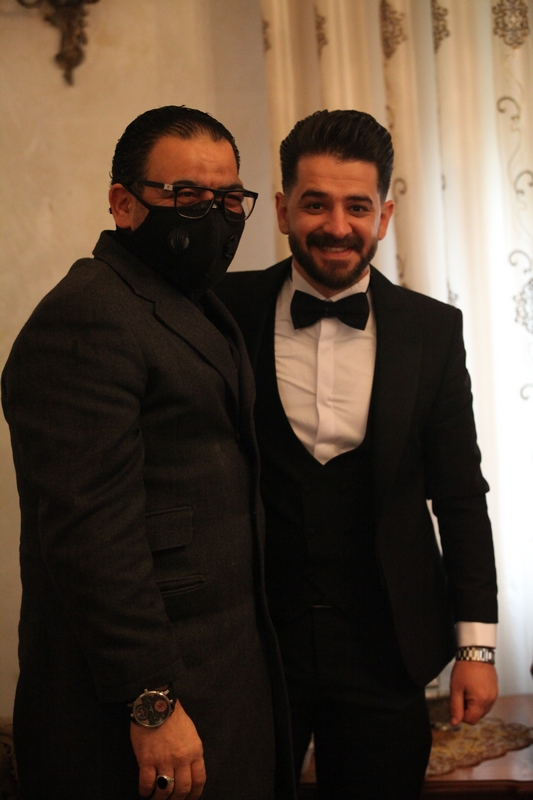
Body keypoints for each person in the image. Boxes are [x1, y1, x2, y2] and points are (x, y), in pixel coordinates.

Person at [2, 106, 294, 800]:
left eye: (229, 198)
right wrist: (151, 702)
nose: (213, 215)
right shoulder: (87, 312)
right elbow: (91, 539)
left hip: (223, 678)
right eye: (187, 196)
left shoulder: (194, 303)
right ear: (123, 203)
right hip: (134, 713)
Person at [217, 109, 499, 799]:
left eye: (357, 207)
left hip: (386, 650)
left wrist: (475, 647)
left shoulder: (433, 330)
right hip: (254, 648)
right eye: (315, 204)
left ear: (384, 215)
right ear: (282, 210)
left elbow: (460, 496)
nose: (337, 226)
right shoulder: (222, 309)